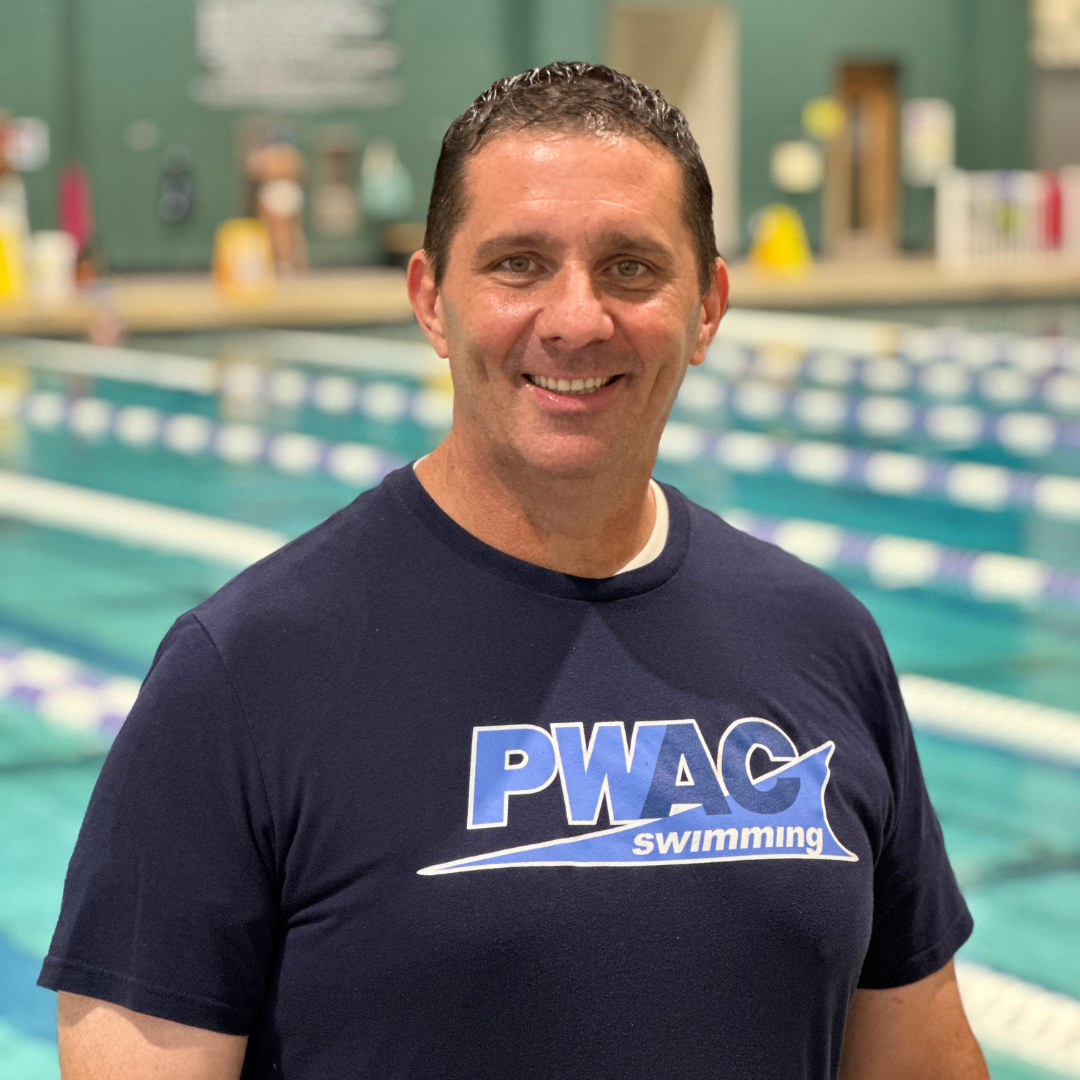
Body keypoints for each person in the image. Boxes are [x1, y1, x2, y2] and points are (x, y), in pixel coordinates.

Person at [41, 63, 988, 1079]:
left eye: (630, 267)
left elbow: (920, 1060)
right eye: (519, 265)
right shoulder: (244, 673)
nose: (577, 319)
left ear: (708, 306)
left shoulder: (820, 637)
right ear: (431, 301)